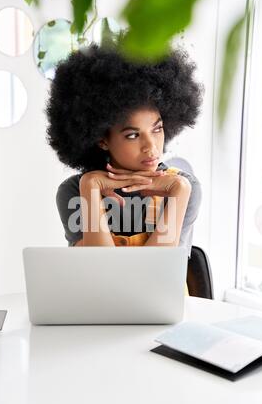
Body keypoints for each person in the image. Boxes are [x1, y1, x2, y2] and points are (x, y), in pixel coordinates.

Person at [45, 43, 203, 263]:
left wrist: (180, 191)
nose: (151, 146)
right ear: (102, 140)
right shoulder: (74, 192)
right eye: (132, 135)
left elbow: (156, 274)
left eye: (157, 129)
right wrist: (90, 187)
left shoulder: (185, 187)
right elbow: (99, 273)